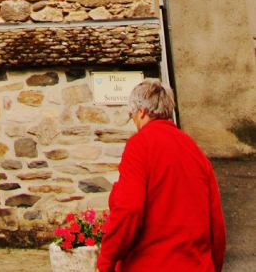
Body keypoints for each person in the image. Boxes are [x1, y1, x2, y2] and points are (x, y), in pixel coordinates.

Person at [97, 79, 226, 272]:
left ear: (141, 112)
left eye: (131, 115)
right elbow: (216, 224)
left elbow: (129, 209)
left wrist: (106, 260)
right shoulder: (195, 151)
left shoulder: (140, 145)